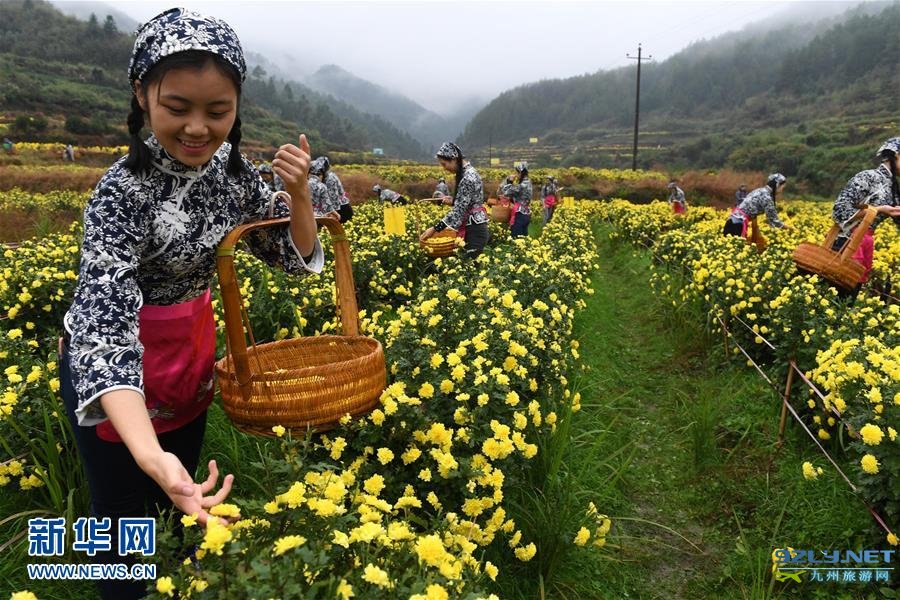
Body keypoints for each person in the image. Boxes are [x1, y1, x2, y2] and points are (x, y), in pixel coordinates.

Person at [58, 9, 323, 599]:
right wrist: (149, 454)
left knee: (183, 497)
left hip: (187, 357)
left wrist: (299, 195)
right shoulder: (121, 192)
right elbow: (104, 327)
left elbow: (290, 255)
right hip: (116, 376)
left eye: (218, 111)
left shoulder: (235, 179)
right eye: (178, 108)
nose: (199, 128)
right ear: (141, 95)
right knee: (122, 516)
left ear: (237, 105)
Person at [831, 137, 900, 288]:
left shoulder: (893, 187)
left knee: (849, 298)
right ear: (896, 155)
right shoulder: (868, 177)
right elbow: (839, 209)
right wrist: (877, 210)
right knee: (837, 296)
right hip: (846, 243)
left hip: (865, 243)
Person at [419, 141, 490, 259]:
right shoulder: (468, 173)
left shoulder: (468, 178)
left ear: (454, 159)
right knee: (467, 268)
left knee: (467, 269)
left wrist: (435, 229)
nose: (444, 168)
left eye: (444, 164)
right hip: (473, 226)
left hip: (474, 230)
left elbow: (459, 211)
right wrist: (453, 201)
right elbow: (467, 202)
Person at [723, 173, 791, 237]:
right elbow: (775, 221)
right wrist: (792, 230)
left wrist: (756, 236)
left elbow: (753, 217)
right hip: (737, 225)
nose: (782, 190)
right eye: (782, 187)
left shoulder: (759, 191)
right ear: (777, 185)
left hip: (733, 220)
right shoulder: (767, 197)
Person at [503, 162, 532, 237]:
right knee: (523, 237)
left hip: (520, 214)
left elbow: (506, 192)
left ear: (521, 173)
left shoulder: (522, 185)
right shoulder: (528, 182)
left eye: (517, 172)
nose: (516, 175)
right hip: (526, 213)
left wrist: (509, 181)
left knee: (516, 237)